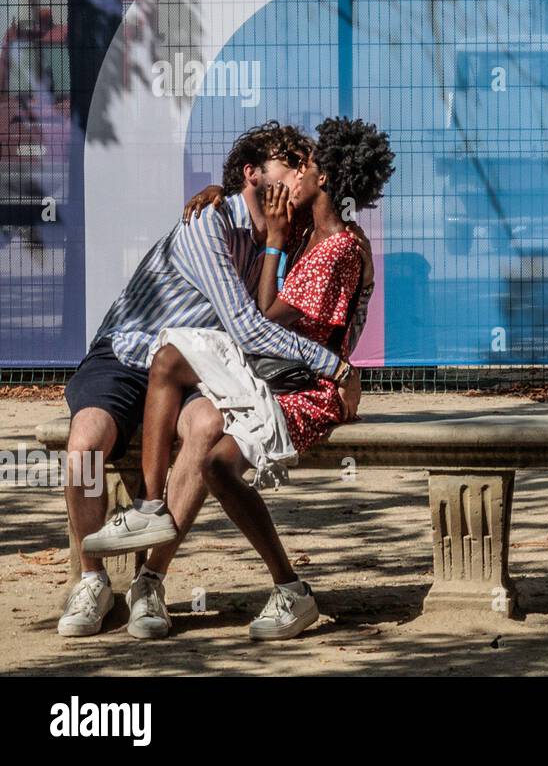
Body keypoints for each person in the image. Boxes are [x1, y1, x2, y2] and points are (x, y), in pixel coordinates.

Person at [83, 118, 394, 641]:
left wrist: (273, 242)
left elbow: (264, 319)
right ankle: (152, 511)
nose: (296, 174)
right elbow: (250, 211)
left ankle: (289, 588)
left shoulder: (337, 246)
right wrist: (220, 193)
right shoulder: (303, 228)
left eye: (306, 167)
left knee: (216, 459)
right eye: (293, 164)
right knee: (169, 359)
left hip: (307, 387)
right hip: (275, 373)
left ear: (324, 181)